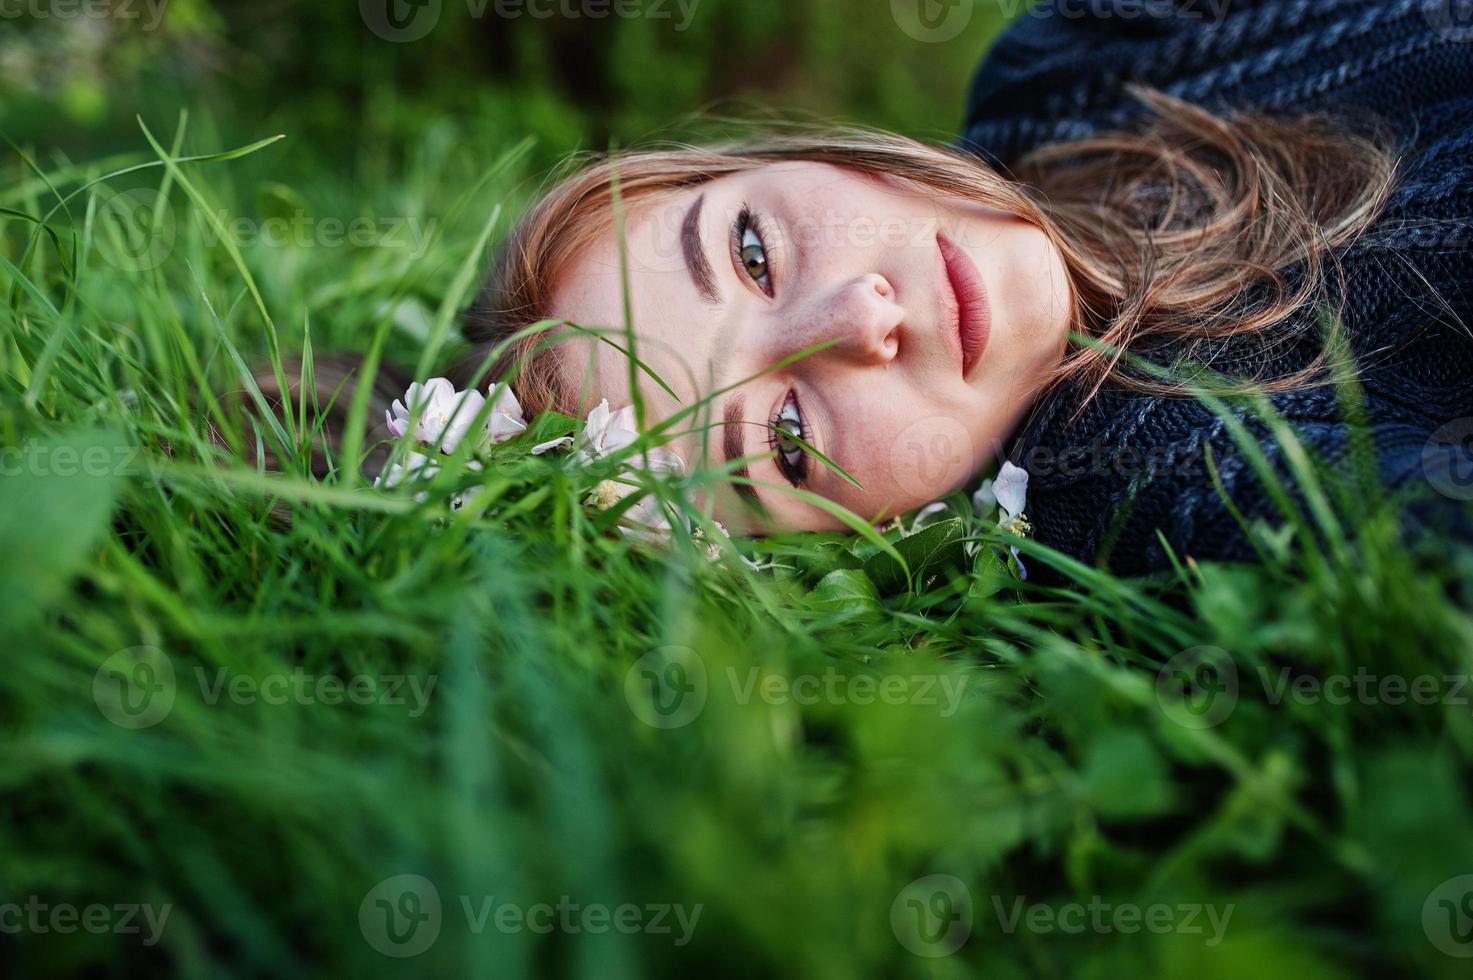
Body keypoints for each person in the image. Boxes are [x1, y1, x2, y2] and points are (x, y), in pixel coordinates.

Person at [333, 0, 1473, 577]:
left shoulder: (1065, 56)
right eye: (780, 436)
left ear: (785, 156)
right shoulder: (1171, 470)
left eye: (754, 252)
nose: (865, 318)